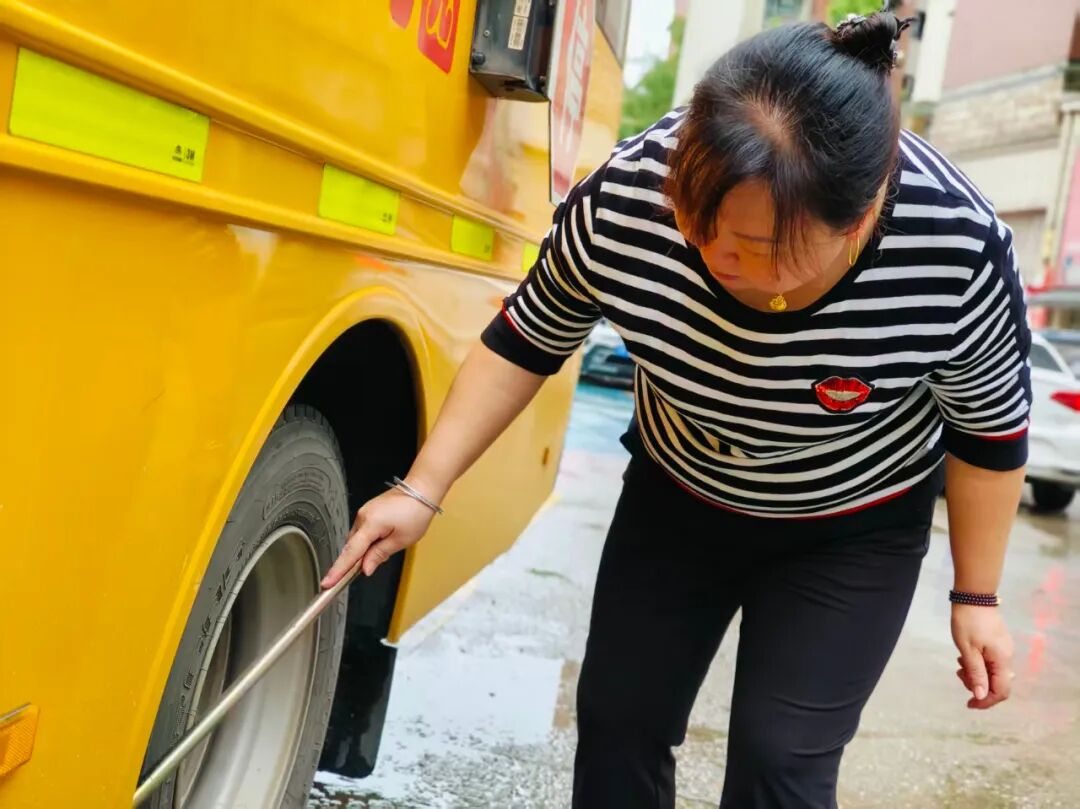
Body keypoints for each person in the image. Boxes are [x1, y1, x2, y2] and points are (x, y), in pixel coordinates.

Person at [321, 9, 1030, 808]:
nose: (714, 252)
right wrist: (422, 487)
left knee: (780, 758)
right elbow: (525, 338)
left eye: (757, 245)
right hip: (680, 494)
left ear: (860, 220)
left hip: (851, 527)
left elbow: (989, 433)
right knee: (620, 721)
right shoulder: (635, 189)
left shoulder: (955, 249)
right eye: (700, 220)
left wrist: (978, 596)